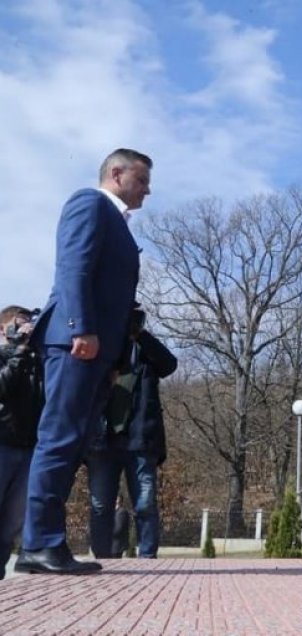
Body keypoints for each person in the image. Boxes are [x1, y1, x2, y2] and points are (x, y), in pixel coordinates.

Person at [16, 148, 152, 575]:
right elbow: (73, 267)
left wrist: (115, 358)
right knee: (58, 438)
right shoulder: (88, 203)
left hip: (98, 350)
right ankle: (39, 543)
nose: (148, 190)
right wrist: (80, 327)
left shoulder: (119, 224)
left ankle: (43, 544)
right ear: (117, 173)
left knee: (73, 443)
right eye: (142, 180)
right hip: (75, 343)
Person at [87, 308, 177, 560]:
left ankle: (147, 557)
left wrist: (140, 334)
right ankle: (102, 558)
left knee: (145, 504)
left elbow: (169, 364)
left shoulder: (145, 354)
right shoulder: (98, 349)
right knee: (100, 505)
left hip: (139, 440)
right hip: (102, 442)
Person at [0, 306, 44, 580]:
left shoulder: (34, 360)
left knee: (11, 524)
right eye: (19, 325)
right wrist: (16, 352)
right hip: (2, 442)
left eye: (29, 325)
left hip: (28, 448)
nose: (25, 329)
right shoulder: (12, 356)